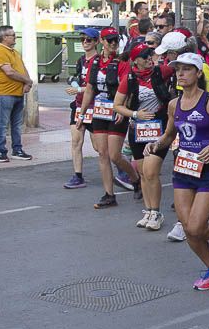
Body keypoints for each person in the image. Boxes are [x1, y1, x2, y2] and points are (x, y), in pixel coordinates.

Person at [145, 53, 209, 289]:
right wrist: (156, 144)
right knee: (188, 228)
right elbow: (170, 135)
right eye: (178, 69)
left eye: (187, 69)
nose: (180, 73)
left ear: (199, 73)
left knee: (197, 226)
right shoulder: (173, 104)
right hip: (183, 169)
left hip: (208, 170)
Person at [76, 29, 140, 208]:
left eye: (116, 40)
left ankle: (135, 179)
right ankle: (109, 195)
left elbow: (126, 88)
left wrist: (123, 109)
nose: (113, 44)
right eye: (110, 40)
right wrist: (81, 114)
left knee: (114, 155)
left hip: (116, 110)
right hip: (99, 111)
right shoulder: (95, 63)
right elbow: (89, 89)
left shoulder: (122, 64)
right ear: (102, 41)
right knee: (102, 153)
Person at [114, 42, 172, 231]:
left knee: (151, 171)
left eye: (151, 56)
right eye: (145, 57)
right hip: (137, 130)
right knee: (142, 174)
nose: (149, 60)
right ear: (136, 60)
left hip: (160, 129)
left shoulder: (161, 72)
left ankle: (156, 212)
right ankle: (148, 211)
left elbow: (179, 67)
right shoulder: (129, 78)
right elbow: (117, 104)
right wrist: (135, 114)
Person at [63, 28, 100, 189]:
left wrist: (79, 89)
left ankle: (122, 168)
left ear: (96, 42)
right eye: (83, 39)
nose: (85, 42)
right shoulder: (81, 61)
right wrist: (75, 85)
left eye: (89, 40)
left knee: (99, 147)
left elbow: (99, 87)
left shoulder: (99, 62)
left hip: (94, 107)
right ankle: (78, 175)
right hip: (78, 105)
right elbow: (79, 79)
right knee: (76, 141)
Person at [0, 25, 33, 163]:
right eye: (12, 35)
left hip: (18, 93)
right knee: (3, 124)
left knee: (16, 124)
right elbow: (9, 72)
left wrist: (28, 83)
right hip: (5, 93)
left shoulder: (14, 52)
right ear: (4, 37)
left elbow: (22, 68)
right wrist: (27, 80)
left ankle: (17, 149)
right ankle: (1, 152)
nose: (15, 37)